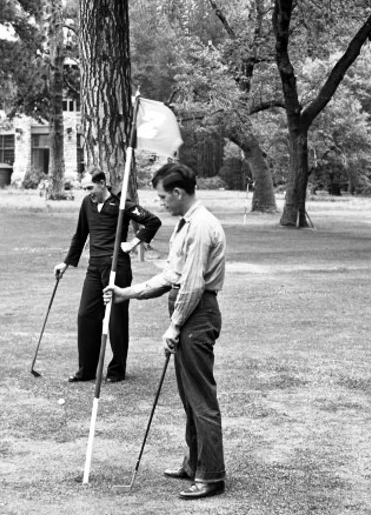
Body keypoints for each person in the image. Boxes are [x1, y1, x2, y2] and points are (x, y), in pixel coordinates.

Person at [104, 162, 226, 500]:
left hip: (197, 314)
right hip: (188, 311)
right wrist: (128, 293)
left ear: (178, 192)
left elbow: (192, 284)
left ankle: (211, 475)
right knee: (189, 398)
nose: (160, 204)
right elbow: (171, 276)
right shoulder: (185, 226)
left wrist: (174, 326)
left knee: (201, 399)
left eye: (162, 197)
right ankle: (195, 462)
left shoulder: (200, 226)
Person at [53, 168, 161, 383]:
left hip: (116, 267)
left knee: (116, 320)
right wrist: (66, 263)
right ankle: (86, 370)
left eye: (90, 187)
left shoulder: (121, 204)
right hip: (94, 268)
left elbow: (152, 221)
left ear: (102, 183)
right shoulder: (87, 203)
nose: (88, 192)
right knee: (86, 315)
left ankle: (117, 370)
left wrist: (133, 243)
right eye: (85, 188)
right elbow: (80, 235)